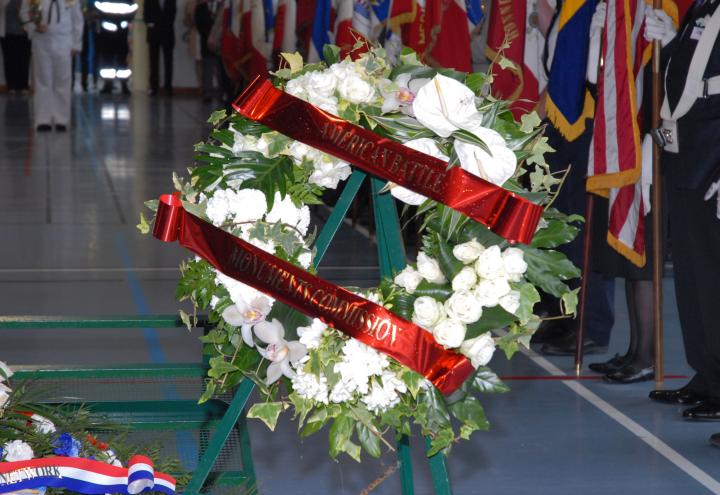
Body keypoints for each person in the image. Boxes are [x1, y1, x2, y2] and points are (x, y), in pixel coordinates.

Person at [642, 1, 720, 435]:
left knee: (715, 277)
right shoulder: (703, 6)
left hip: (714, 150)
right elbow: (687, 72)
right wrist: (671, 41)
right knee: (693, 278)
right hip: (689, 149)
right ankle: (707, 375)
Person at [21, 0, 84, 131]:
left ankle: (61, 119)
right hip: (41, 40)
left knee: (63, 80)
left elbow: (77, 19)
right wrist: (34, 26)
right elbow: (24, 14)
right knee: (43, 80)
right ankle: (43, 119)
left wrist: (76, 44)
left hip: (64, 40)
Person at [94, 0, 136, 94]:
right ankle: (109, 85)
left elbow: (133, 9)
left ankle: (123, 85)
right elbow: (98, 8)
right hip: (110, 32)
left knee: (120, 60)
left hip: (118, 32)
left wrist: (124, 22)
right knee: (108, 60)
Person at [144, 0, 176, 95]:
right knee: (153, 62)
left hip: (167, 33)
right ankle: (154, 87)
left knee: (168, 62)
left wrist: (166, 26)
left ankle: (168, 87)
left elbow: (173, 13)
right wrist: (152, 24)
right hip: (153, 33)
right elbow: (146, 15)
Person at [0, 0, 32, 93]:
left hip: (24, 34)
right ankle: (11, 86)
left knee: (24, 60)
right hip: (8, 34)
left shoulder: (27, 1)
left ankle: (24, 86)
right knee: (9, 60)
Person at [194, 0, 220, 101]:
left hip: (219, 43)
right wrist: (209, 37)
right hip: (206, 42)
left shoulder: (221, 6)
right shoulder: (200, 7)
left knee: (220, 70)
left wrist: (215, 37)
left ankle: (222, 93)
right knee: (207, 69)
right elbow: (199, 24)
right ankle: (207, 92)